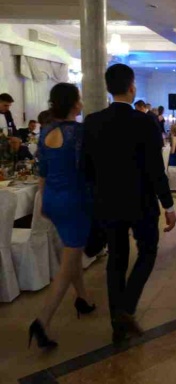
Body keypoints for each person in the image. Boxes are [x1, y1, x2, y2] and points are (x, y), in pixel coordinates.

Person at [83, 64, 176, 344]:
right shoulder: (144, 122)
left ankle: (118, 320)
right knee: (148, 251)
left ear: (108, 87)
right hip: (141, 202)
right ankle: (126, 308)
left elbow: (86, 169)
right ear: (132, 87)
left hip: (108, 202)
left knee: (117, 259)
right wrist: (169, 205)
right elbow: (155, 169)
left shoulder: (93, 122)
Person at [28, 84, 95, 349]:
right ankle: (42, 321)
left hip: (53, 199)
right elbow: (87, 170)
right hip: (74, 201)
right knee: (68, 264)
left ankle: (84, 299)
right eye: (79, 98)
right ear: (74, 104)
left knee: (71, 251)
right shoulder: (78, 132)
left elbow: (43, 172)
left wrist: (44, 200)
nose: (81, 102)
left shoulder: (46, 131)